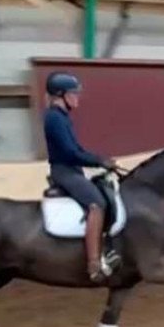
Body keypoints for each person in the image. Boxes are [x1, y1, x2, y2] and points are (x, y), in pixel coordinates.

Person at [43, 71, 120, 282]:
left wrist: (100, 160)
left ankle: (107, 248)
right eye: (73, 93)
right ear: (61, 95)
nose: (77, 97)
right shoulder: (54, 118)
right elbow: (70, 153)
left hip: (72, 170)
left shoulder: (62, 117)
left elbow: (77, 149)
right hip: (64, 172)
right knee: (96, 204)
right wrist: (98, 161)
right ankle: (94, 264)